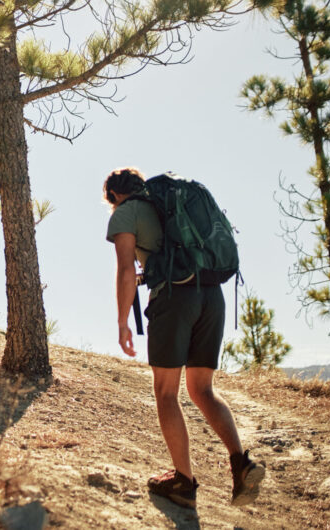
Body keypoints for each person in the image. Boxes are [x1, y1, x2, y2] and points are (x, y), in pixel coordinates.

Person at [103, 167, 265, 509]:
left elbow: (126, 269)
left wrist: (122, 323)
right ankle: (241, 464)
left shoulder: (126, 213)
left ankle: (184, 481)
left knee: (165, 392)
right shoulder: (170, 204)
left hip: (175, 297)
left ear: (114, 196)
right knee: (202, 389)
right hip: (211, 295)